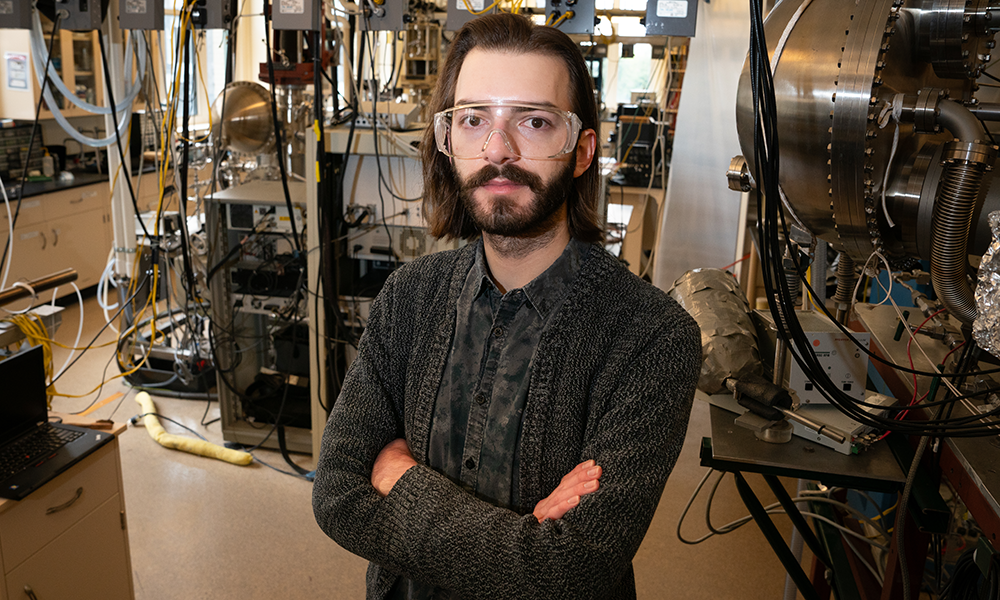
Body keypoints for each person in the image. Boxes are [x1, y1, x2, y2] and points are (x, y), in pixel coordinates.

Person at [313, 13, 701, 600]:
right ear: (447, 143)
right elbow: (337, 495)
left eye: (535, 121)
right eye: (473, 120)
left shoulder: (652, 336)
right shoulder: (408, 297)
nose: (499, 150)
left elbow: (569, 573)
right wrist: (522, 543)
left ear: (580, 151)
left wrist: (405, 482)